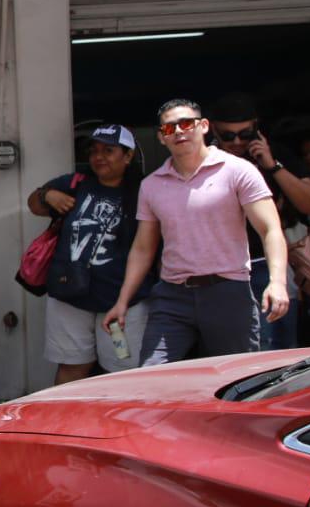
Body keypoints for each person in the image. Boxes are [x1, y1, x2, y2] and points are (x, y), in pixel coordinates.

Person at [103, 99, 287, 365]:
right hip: (172, 295)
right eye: (169, 128)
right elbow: (143, 247)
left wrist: (278, 282)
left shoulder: (238, 170)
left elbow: (270, 228)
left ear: (203, 127)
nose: (178, 132)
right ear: (161, 137)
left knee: (234, 381)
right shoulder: (152, 185)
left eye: (186, 124)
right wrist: (122, 302)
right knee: (153, 378)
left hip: (227, 290)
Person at [28, 124, 151, 383]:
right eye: (94, 150)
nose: (99, 157)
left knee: (124, 373)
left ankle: (119, 425)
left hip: (121, 302)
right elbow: (34, 205)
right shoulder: (75, 183)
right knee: (73, 368)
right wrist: (47, 194)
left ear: (128, 156)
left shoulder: (145, 191)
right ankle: (63, 423)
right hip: (70, 297)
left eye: (109, 150)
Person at [208, 94, 310, 350]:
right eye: (228, 135)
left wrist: (272, 166)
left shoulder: (274, 153)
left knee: (283, 347)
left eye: (245, 134)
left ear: (256, 127)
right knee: (249, 352)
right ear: (213, 128)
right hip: (224, 269)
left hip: (269, 264)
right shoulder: (202, 159)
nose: (237, 141)